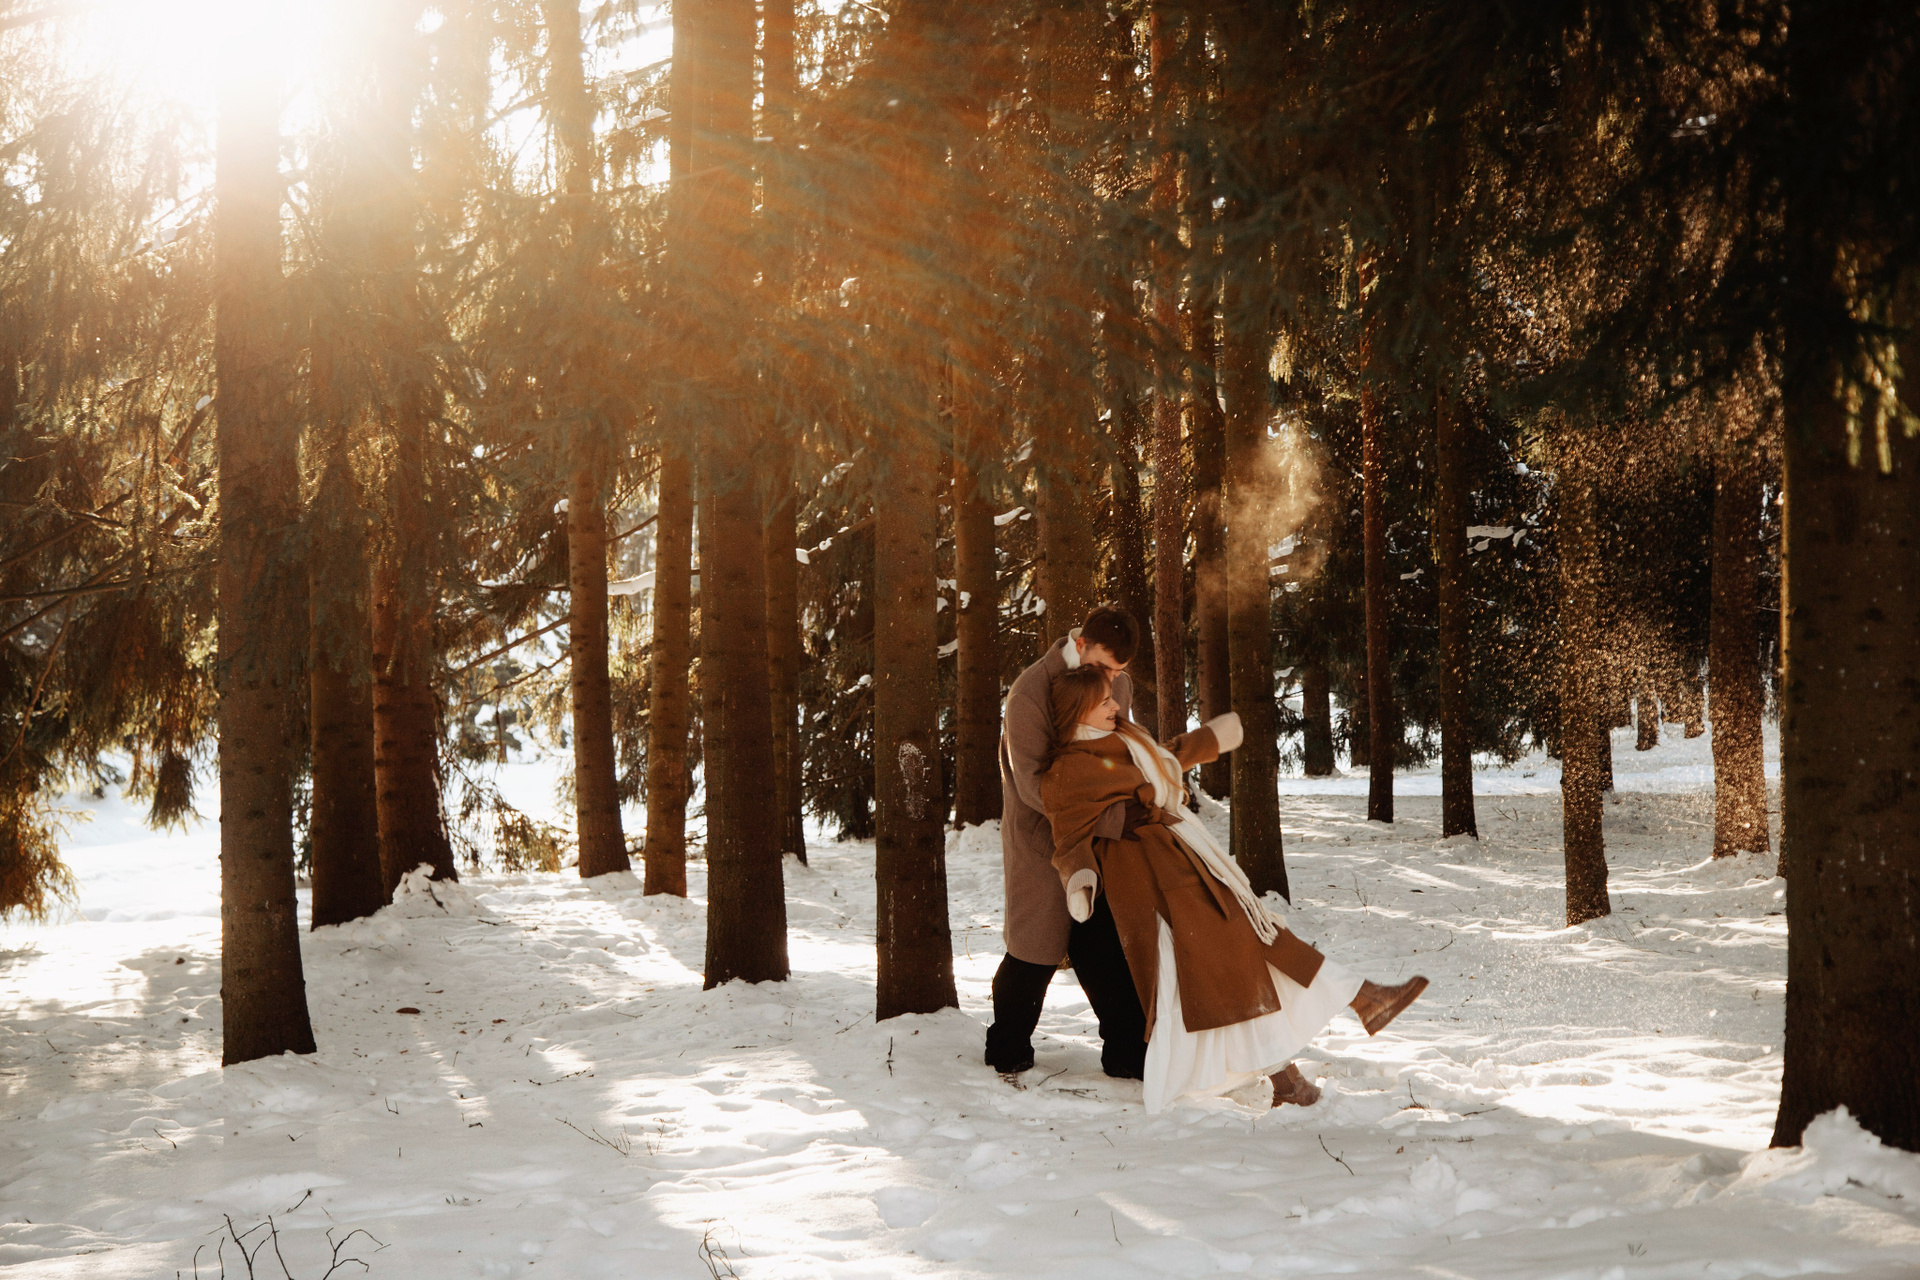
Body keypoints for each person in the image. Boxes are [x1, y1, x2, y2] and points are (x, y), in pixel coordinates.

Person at [1040, 664, 1428, 1113]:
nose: (1114, 705)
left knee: (1251, 944)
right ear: (1077, 710)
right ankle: (1334, 1028)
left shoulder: (1128, 738)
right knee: (1220, 970)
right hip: (1147, 887)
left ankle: (1354, 1008)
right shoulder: (1066, 769)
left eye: (1111, 697)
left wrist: (1210, 739)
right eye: (1103, 701)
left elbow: (1167, 758)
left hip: (1186, 862)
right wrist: (1081, 880)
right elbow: (1068, 836)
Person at [986, 606, 1152, 1078]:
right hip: (1041, 837)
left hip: (1099, 839)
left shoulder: (1118, 682)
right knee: (1034, 950)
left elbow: (1113, 750)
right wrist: (1113, 818)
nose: (1112, 681)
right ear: (1080, 644)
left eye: (1119, 672)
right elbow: (1033, 786)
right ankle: (1007, 1045)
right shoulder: (1028, 693)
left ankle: (1127, 1052)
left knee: (1104, 947)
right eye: (1104, 667)